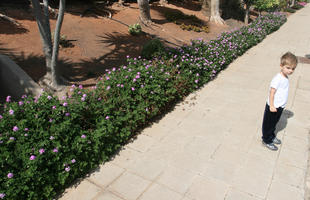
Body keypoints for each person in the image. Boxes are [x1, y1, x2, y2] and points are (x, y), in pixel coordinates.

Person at [262, 52, 298, 151]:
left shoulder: (285, 77)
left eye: (293, 68)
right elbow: (272, 93)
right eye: (288, 68)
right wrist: (272, 106)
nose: (291, 71)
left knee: (274, 122)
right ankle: (266, 139)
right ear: (281, 66)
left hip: (280, 106)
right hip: (273, 106)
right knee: (268, 123)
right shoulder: (277, 79)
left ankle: (271, 136)